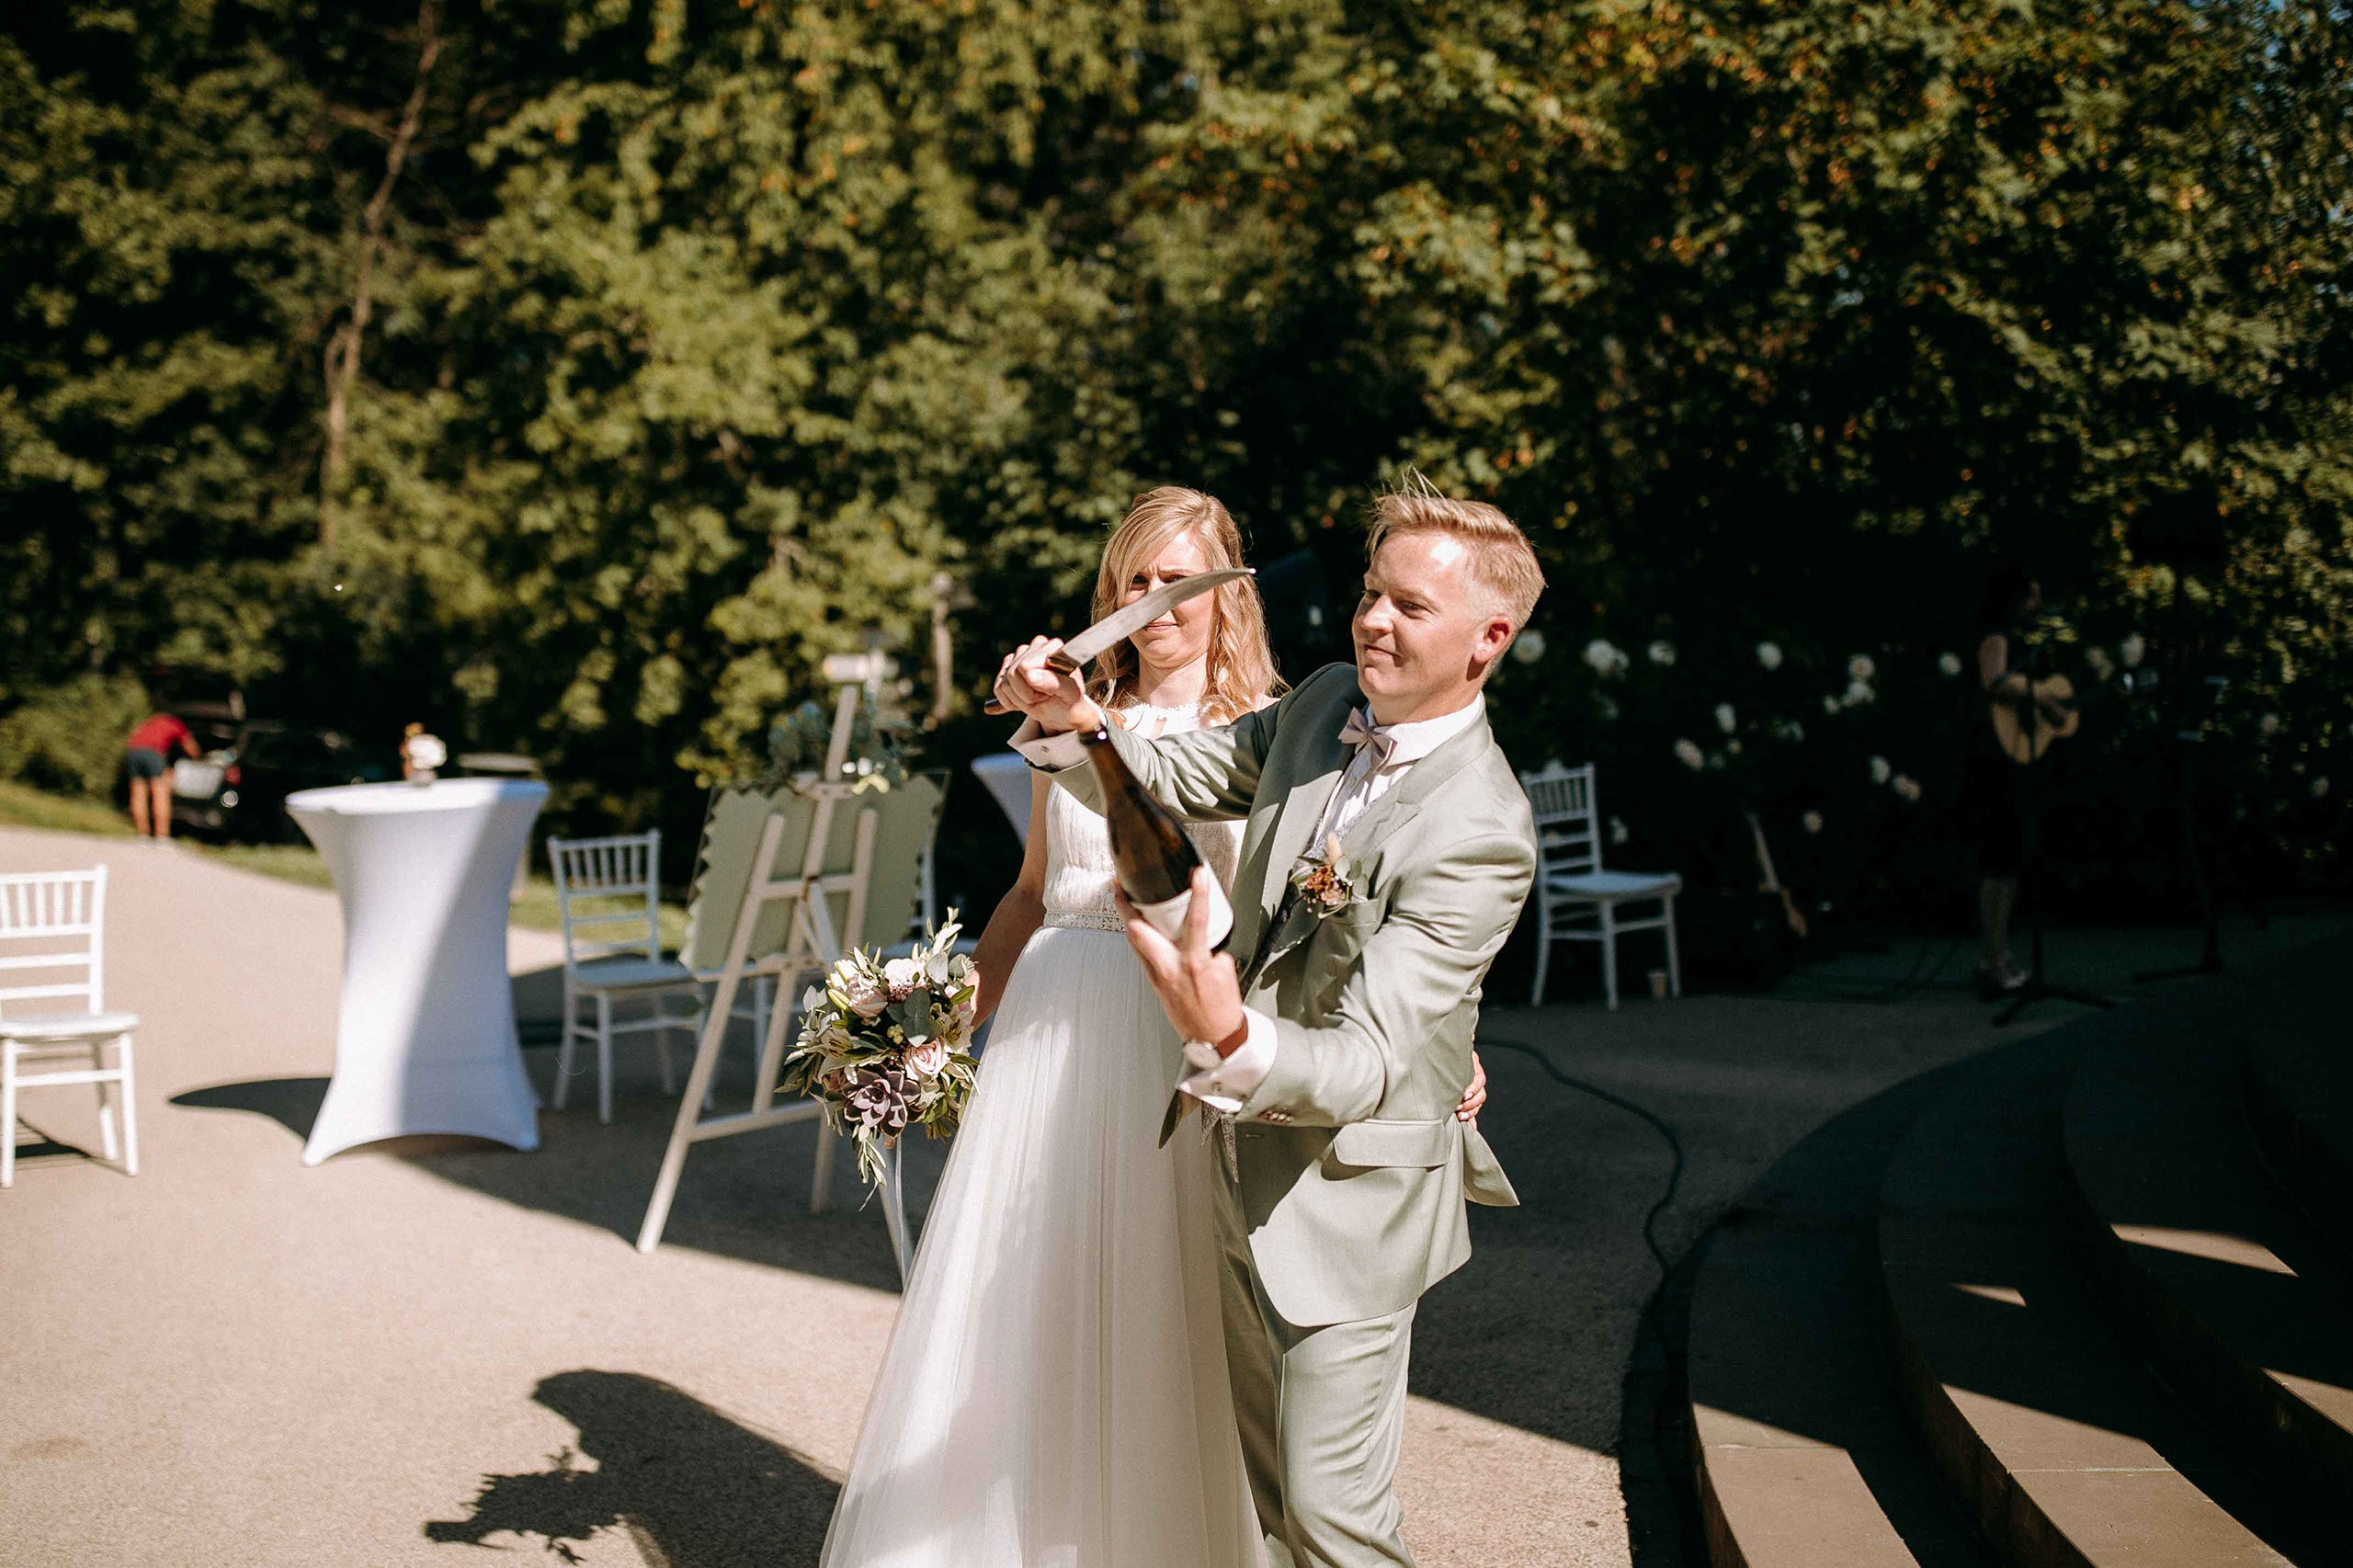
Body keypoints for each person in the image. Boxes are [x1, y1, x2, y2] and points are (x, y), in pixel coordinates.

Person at [826, 487, 1474, 1568]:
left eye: (1180, 580)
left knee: (1181, 1320)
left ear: (1229, 593)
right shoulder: (1065, 727)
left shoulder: (1288, 728)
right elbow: (1034, 892)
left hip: (1190, 1041)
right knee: (1023, 1312)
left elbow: (1349, 910)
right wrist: (940, 1022)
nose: (1157, 603)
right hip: (1052, 1036)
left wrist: (1438, 1040)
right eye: (1135, 581)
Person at [996, 483, 1540, 1568]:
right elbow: (1175, 770)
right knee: (1274, 1507)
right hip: (1233, 1163)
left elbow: (1378, 1058)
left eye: (1410, 608)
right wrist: (1076, 726)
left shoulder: (1482, 827)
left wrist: (1230, 1035)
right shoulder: (1322, 703)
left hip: (1348, 1199)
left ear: (1491, 637)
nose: (1373, 620)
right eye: (1371, 594)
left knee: (1334, 1519)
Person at [1964, 563, 2044, 996]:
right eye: (2032, 596)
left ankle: (1998, 954)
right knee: (1999, 862)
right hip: (1992, 760)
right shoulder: (1996, 636)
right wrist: (2040, 694)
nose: (2038, 605)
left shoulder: (2014, 641)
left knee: (2007, 863)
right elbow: (1994, 681)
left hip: (2004, 757)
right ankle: (1991, 958)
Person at [123, 710, 198, 841]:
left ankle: (143, 835)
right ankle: (162, 837)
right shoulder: (175, 723)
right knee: (160, 793)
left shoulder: (150, 722)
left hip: (133, 752)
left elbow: (132, 736)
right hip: (153, 752)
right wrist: (198, 757)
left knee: (138, 793)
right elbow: (190, 748)